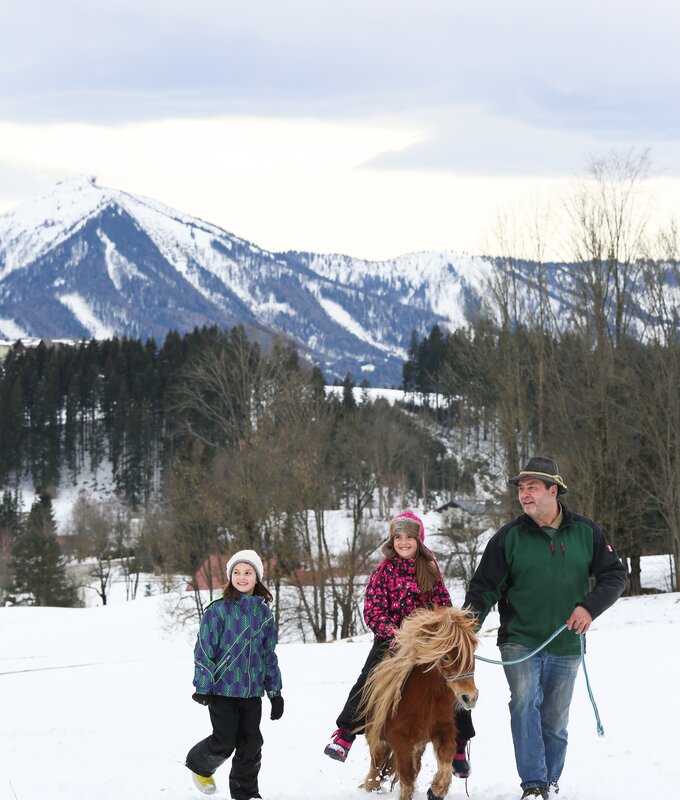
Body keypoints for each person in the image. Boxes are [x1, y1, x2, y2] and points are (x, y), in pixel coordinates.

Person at [464, 457, 627, 799]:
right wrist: (466, 630)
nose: (524, 494)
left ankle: (550, 782)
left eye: (532, 487)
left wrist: (589, 607)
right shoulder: (508, 537)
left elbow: (614, 575)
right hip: (520, 638)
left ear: (553, 491)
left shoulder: (586, 531)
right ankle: (534, 784)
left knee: (554, 719)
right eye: (521, 488)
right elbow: (483, 589)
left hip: (567, 642)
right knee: (524, 702)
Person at [324, 510, 475, 779]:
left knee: (456, 676)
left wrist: (439, 632)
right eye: (398, 537)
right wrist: (392, 633)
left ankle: (459, 745)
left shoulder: (430, 570)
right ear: (391, 541)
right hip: (391, 639)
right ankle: (346, 733)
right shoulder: (383, 571)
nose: (403, 542)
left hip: (427, 642)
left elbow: (443, 605)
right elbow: (373, 609)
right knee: (369, 676)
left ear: (419, 540)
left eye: (409, 537)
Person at [186, 549, 284, 799]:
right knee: (225, 741)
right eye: (237, 572)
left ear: (257, 578)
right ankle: (199, 764)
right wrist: (203, 686)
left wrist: (275, 692)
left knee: (252, 744)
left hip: (252, 693)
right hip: (222, 690)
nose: (242, 577)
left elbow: (268, 655)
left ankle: (246, 794)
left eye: (248, 572)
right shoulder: (217, 610)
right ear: (230, 577)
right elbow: (204, 650)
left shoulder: (264, 614)